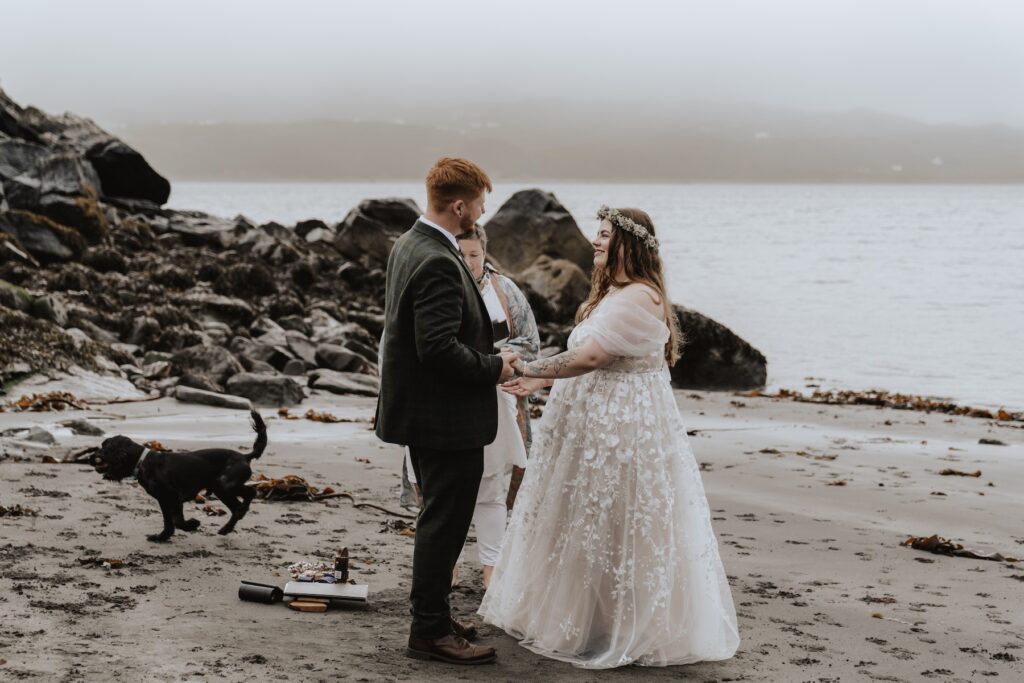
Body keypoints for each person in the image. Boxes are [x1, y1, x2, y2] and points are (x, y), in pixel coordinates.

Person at [479, 206, 740, 668]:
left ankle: (618, 624)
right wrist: (542, 381)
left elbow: (594, 356)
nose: (595, 242)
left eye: (604, 235)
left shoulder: (640, 296)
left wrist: (535, 368)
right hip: (595, 421)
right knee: (585, 517)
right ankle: (590, 617)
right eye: (596, 234)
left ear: (630, 244)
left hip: (622, 428)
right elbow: (585, 352)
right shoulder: (615, 293)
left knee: (616, 518)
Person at [375, 157, 516, 666]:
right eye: (480, 203)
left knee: (441, 517)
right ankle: (430, 631)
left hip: (423, 410)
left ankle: (433, 615)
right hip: (442, 416)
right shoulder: (436, 257)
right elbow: (435, 347)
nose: (482, 211)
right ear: (460, 206)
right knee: (445, 522)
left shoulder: (411, 243)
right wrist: (495, 366)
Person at [404, 225, 540, 590]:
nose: (468, 262)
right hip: (439, 406)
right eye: (461, 255)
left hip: (496, 401)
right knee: (437, 492)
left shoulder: (505, 292)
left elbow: (530, 346)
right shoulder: (435, 283)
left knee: (492, 489)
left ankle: (492, 571)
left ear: (485, 254)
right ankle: (443, 569)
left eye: (475, 255)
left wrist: (500, 361)